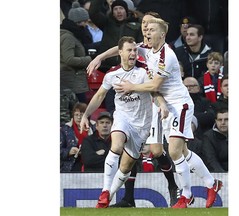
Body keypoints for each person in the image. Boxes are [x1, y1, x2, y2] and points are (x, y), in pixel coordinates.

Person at [87, 17, 222, 209]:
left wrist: (131, 86)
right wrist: (100, 57)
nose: (147, 32)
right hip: (164, 105)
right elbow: (122, 48)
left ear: (162, 34)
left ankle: (186, 195)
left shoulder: (167, 55)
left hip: (179, 104)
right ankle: (212, 184)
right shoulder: (148, 47)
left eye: (151, 29)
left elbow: (154, 85)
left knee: (174, 150)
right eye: (146, 29)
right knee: (183, 151)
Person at [80, 36, 169, 208]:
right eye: (129, 50)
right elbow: (99, 96)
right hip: (123, 118)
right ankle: (105, 191)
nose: (133, 53)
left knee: (126, 167)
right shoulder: (112, 74)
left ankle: (107, 198)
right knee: (117, 145)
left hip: (142, 125)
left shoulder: (144, 72)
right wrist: (86, 115)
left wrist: (162, 105)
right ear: (120, 52)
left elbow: (154, 91)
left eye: (135, 50)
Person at [110, 12, 180, 208]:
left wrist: (161, 101)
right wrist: (98, 57)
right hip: (137, 106)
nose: (145, 26)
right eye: (143, 23)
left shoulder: (161, 50)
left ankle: (173, 186)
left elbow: (156, 83)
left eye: (149, 24)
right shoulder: (137, 48)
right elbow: (118, 49)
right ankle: (128, 198)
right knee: (132, 150)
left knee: (157, 151)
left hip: (154, 102)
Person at [88, 0, 142, 72]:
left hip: (129, 67)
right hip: (106, 67)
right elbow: (93, 13)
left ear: (126, 11)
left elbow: (140, 46)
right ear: (112, 12)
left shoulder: (137, 26)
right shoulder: (106, 23)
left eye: (121, 8)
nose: (118, 11)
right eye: (115, 9)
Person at [60, 1, 94, 103]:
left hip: (72, 82)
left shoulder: (71, 34)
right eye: (85, 21)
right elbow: (69, 59)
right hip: (71, 83)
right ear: (78, 21)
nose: (86, 25)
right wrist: (89, 59)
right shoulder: (68, 37)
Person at [60, 102, 96, 172]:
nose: (79, 117)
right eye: (76, 115)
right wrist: (68, 152)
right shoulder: (65, 129)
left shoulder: (95, 127)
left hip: (91, 162)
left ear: (87, 116)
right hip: (72, 164)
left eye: (81, 115)